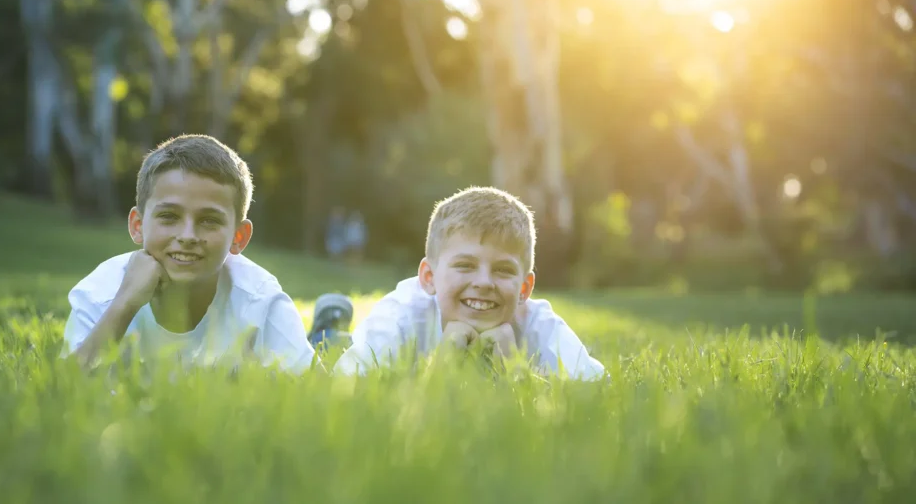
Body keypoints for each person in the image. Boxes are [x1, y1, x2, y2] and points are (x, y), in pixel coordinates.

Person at [62, 134, 315, 373]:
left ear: (238, 237)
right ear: (137, 226)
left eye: (209, 220)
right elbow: (65, 385)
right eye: (169, 216)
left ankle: (326, 328)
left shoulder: (258, 299)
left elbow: (315, 386)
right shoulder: (102, 294)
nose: (187, 236)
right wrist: (125, 304)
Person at [329, 186, 606, 380]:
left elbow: (599, 390)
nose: (484, 282)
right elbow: (343, 384)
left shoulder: (538, 323)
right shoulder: (402, 314)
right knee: (333, 342)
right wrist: (438, 371)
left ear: (524, 289)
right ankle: (328, 329)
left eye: (503, 270)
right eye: (465, 265)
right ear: (429, 277)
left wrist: (517, 371)